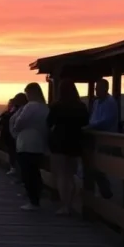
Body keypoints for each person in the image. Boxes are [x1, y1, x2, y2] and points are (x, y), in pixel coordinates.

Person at [47, 82, 89, 215]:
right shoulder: (81, 106)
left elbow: (49, 122)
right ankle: (71, 204)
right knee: (71, 175)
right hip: (75, 142)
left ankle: (65, 206)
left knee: (61, 175)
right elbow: (85, 122)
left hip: (59, 142)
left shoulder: (57, 106)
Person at [11, 82, 49, 210]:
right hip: (39, 143)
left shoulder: (30, 106)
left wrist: (15, 128)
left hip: (26, 142)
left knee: (27, 173)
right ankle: (36, 198)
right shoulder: (45, 107)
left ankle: (33, 201)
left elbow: (20, 122)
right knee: (35, 172)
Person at [85, 78, 117, 199]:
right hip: (94, 137)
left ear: (105, 88)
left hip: (105, 138)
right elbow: (93, 118)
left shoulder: (110, 102)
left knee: (99, 166)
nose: (96, 90)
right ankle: (103, 192)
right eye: (95, 88)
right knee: (94, 166)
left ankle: (105, 193)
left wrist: (89, 126)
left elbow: (106, 121)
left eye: (98, 88)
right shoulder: (97, 102)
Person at [1, 93, 27, 177]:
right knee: (13, 153)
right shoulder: (17, 111)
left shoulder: (20, 111)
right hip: (11, 136)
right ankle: (16, 171)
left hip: (15, 137)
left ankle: (18, 173)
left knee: (16, 154)